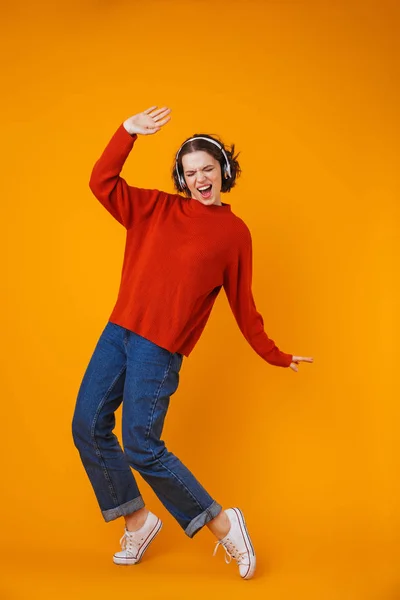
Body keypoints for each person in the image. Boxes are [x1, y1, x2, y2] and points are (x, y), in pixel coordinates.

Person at [72, 105, 314, 580]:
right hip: (118, 331)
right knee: (87, 423)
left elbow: (244, 307)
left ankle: (225, 525)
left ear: (223, 171)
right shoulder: (154, 208)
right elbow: (101, 182)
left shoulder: (233, 234)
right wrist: (127, 132)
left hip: (158, 350)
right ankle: (137, 521)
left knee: (141, 445)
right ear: (181, 180)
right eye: (190, 173)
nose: (200, 179)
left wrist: (276, 354)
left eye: (208, 169)